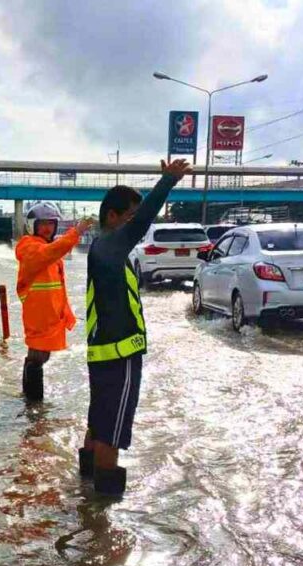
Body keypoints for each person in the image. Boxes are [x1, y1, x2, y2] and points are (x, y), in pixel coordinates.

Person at [78, 158, 192, 496]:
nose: (135, 225)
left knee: (98, 425)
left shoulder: (103, 249)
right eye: (128, 217)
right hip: (120, 356)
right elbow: (143, 221)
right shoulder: (111, 245)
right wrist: (167, 181)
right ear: (112, 217)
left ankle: (84, 493)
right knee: (111, 435)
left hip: (103, 355)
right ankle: (101, 520)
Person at [15, 202, 93, 402]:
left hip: (48, 314)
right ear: (33, 225)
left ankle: (29, 403)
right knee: (37, 357)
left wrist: (63, 313)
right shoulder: (29, 246)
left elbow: (57, 285)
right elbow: (49, 254)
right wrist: (77, 231)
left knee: (39, 356)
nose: (47, 228)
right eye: (43, 224)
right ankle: (35, 408)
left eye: (51, 223)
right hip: (38, 312)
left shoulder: (47, 247)